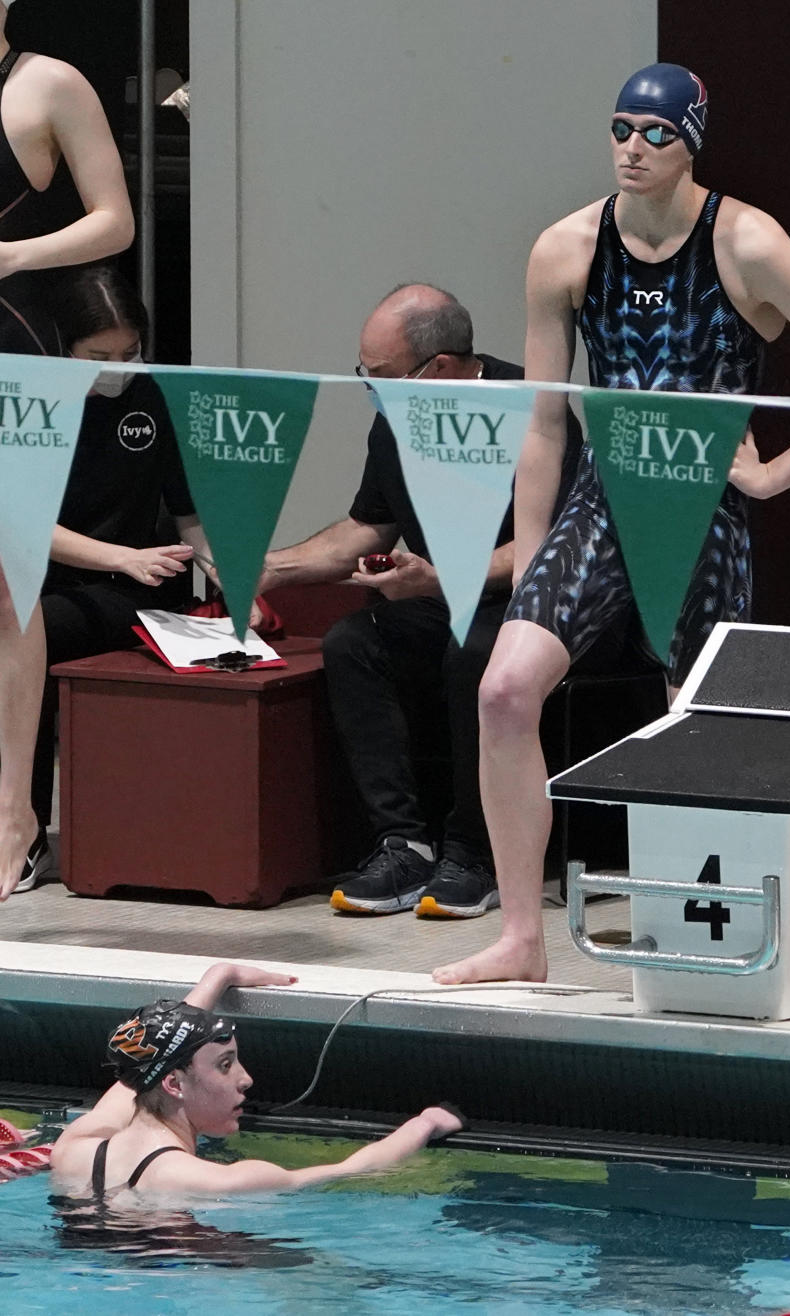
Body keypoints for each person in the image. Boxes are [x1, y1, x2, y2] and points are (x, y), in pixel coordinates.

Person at [433, 62, 790, 986]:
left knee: (697, 731)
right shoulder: (565, 249)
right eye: (620, 130)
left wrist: (773, 477)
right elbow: (542, 421)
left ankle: (717, 942)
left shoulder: (750, 244)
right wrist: (534, 564)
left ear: (693, 142)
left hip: (705, 514)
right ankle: (521, 940)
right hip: (602, 504)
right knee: (501, 690)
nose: (633, 150)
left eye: (655, 134)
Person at [260, 283, 581, 919]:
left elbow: (549, 544)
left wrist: (442, 577)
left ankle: (476, 854)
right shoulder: (395, 423)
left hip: (531, 601)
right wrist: (268, 569)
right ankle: (401, 843)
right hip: (442, 591)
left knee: (476, 653)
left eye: (377, 375)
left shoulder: (533, 410)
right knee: (355, 642)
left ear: (438, 368)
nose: (369, 388)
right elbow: (367, 528)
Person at [11, 266, 213, 894]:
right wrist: (117, 554)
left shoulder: (157, 397)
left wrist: (233, 579)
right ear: (60, 347)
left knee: (33, 631)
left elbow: (191, 516)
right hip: (52, 577)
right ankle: (16, 819)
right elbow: (20, 517)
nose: (118, 367)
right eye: (99, 356)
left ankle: (25, 831)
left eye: (130, 352)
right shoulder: (27, 400)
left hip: (134, 590)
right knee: (23, 620)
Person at [0, 0, 134, 901]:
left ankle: (16, 815)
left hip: (15, 340)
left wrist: (11, 253)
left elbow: (113, 221)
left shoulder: (46, 85)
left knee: (7, 574)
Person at [49, 960, 464, 1198]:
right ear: (175, 1085)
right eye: (226, 1065)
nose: (246, 1080)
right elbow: (352, 1169)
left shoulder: (74, 1149)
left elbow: (146, 1065)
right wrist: (426, 1122)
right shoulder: (219, 1183)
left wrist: (219, 976)